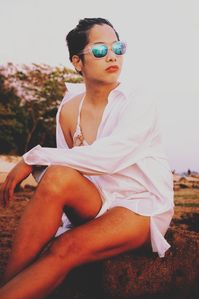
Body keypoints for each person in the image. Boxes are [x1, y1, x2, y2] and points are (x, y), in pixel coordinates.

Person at [0, 17, 174, 299]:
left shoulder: (138, 100)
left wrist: (33, 157)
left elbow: (109, 158)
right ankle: (8, 285)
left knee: (64, 248)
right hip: (95, 199)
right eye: (100, 50)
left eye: (117, 47)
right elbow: (66, 173)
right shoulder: (69, 110)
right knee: (57, 175)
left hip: (139, 205)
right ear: (77, 62)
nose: (113, 56)